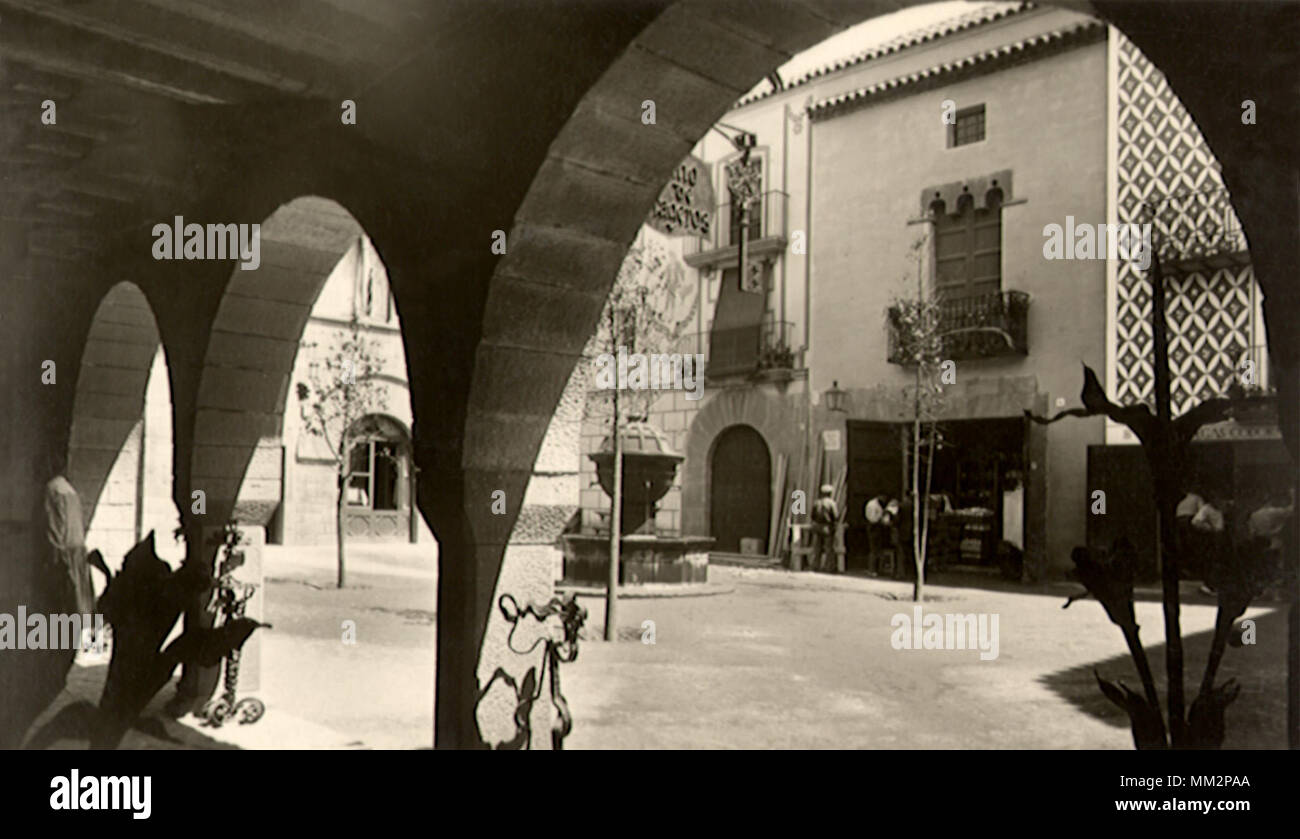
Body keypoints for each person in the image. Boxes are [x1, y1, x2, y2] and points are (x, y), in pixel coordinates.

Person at [37, 449, 97, 657]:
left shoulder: (52, 488)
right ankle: (84, 640)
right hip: (78, 548)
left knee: (64, 597)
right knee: (79, 597)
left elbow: (55, 525)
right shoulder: (69, 489)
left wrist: (53, 553)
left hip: (64, 550)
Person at [810, 484, 839, 573]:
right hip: (827, 527)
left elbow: (812, 515)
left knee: (817, 547)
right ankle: (829, 567)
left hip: (817, 526)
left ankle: (815, 566)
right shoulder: (831, 503)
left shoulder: (816, 502)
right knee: (828, 548)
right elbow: (835, 516)